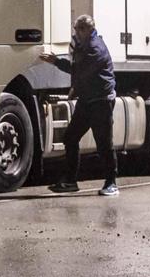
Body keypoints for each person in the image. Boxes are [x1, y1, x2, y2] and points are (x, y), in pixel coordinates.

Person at [40, 14, 119, 196]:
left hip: (101, 100)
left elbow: (81, 70)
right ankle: (70, 181)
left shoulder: (95, 48)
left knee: (104, 144)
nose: (76, 32)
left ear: (89, 30)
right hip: (87, 100)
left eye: (80, 29)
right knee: (70, 137)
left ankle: (111, 183)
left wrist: (57, 62)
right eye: (75, 29)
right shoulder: (82, 45)